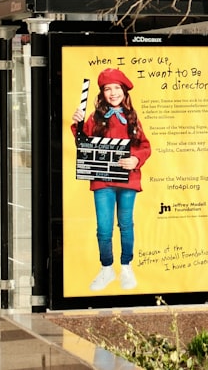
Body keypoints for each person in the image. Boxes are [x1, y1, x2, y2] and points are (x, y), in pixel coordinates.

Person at [71, 68, 152, 291]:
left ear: (124, 92)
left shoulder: (133, 118)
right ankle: (106, 268)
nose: (113, 92)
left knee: (126, 224)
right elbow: (82, 144)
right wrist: (77, 124)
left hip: (128, 180)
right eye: (108, 89)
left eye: (117, 88)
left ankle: (126, 267)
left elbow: (145, 146)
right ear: (102, 93)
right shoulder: (94, 119)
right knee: (104, 228)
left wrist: (136, 159)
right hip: (102, 181)